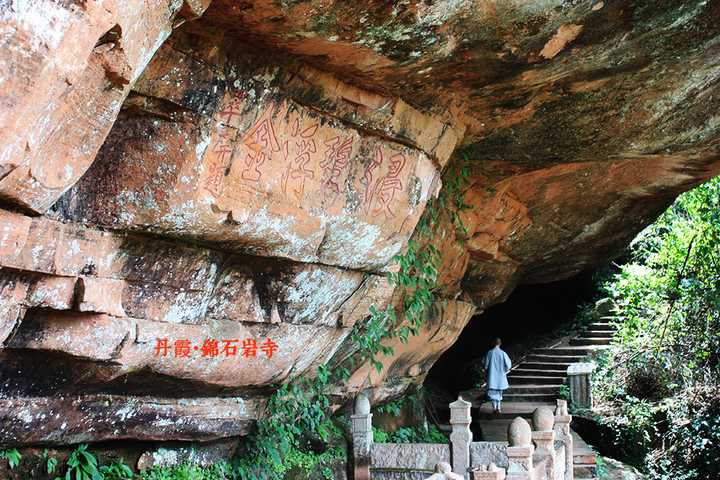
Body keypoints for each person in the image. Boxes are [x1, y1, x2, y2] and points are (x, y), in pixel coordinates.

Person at [485, 337, 512, 414]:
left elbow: (486, 365)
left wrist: (487, 371)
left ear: (493, 343)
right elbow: (509, 365)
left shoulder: (490, 353)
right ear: (500, 344)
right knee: (499, 392)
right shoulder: (503, 353)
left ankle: (494, 408)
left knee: (492, 392)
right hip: (500, 377)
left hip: (492, 377)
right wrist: (505, 370)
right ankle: (499, 408)